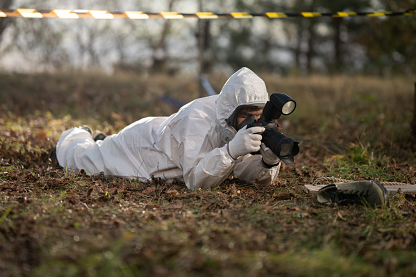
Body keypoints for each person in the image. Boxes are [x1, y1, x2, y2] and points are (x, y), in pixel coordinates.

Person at [54, 67, 283, 189]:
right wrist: (231, 151)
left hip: (164, 136)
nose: (252, 122)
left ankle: (101, 139)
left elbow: (245, 173)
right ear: (231, 111)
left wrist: (268, 161)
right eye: (246, 115)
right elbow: (195, 180)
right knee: (81, 160)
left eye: (257, 115)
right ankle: (77, 133)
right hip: (140, 150)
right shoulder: (198, 118)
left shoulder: (233, 124)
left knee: (102, 147)